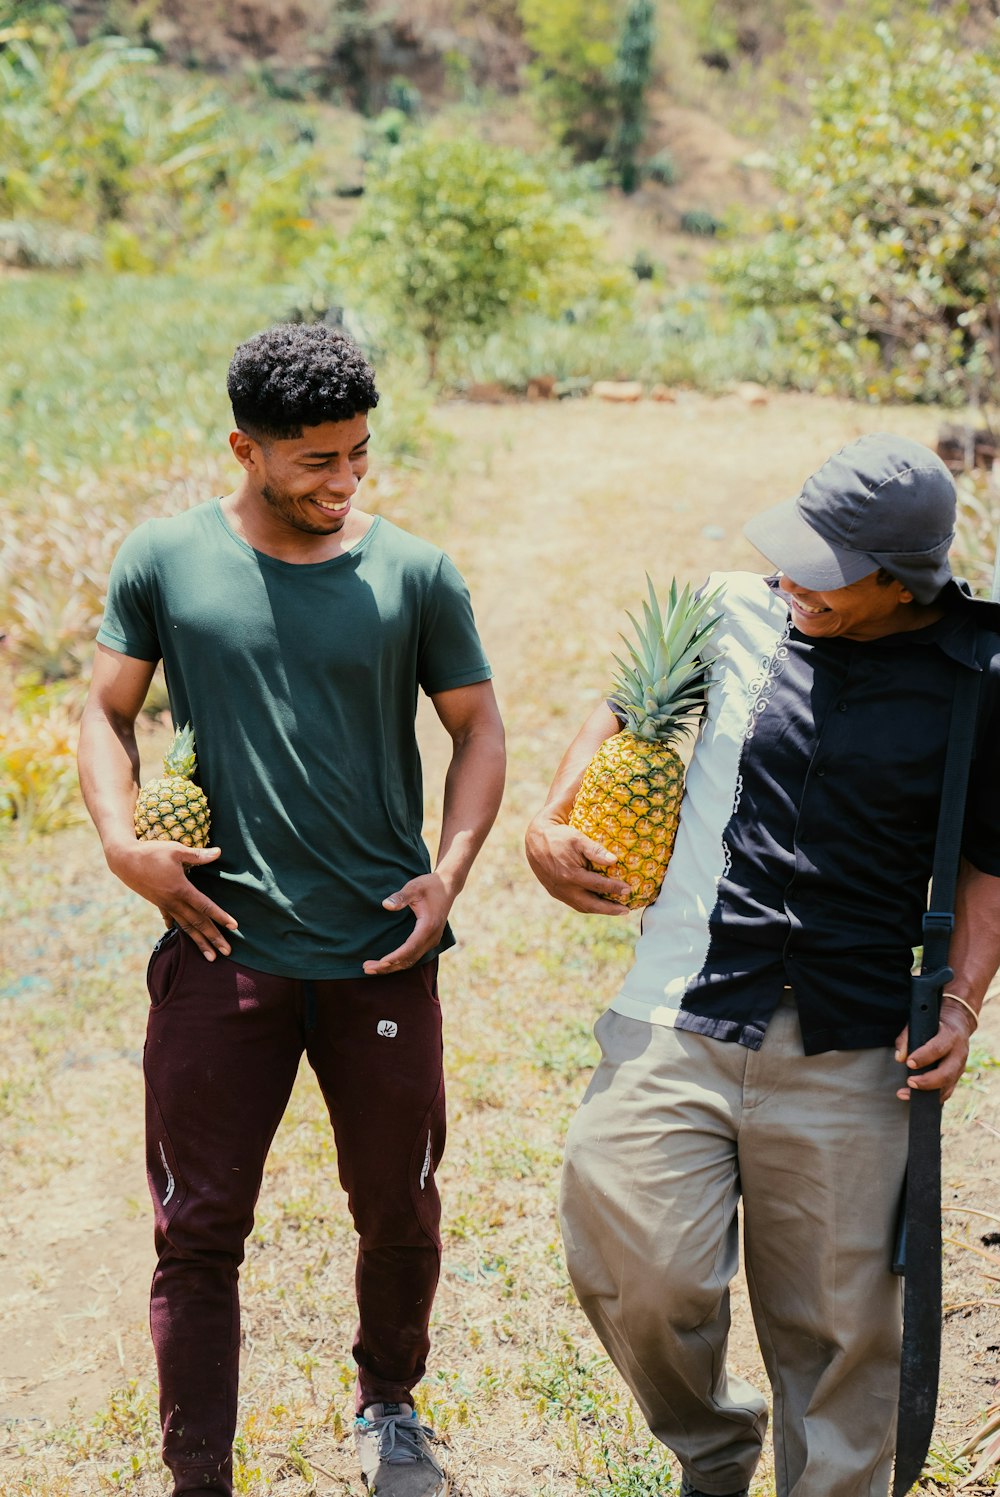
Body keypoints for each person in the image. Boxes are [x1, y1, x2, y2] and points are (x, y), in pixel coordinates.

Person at [525, 433, 1000, 1497]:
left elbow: (987, 865)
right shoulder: (730, 611)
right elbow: (614, 718)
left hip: (854, 1040)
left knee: (839, 1336)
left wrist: (961, 1005)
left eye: (824, 573)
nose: (791, 580)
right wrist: (547, 824)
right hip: (683, 1007)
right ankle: (711, 1445)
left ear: (899, 584)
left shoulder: (977, 679)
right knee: (632, 1265)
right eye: (789, 551)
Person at [78, 323, 506, 1497]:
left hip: (378, 951)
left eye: (359, 453)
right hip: (221, 945)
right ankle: (198, 1471)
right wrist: (125, 847)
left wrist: (449, 873)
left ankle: (389, 1407)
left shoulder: (414, 573)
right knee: (199, 1228)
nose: (345, 480)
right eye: (316, 460)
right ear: (245, 449)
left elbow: (476, 727)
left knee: (399, 1209)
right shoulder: (164, 560)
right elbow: (106, 712)